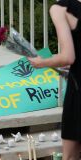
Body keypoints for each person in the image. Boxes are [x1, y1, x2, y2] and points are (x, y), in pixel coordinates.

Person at [28, 0, 81, 160]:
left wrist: (41, 62)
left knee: (70, 156)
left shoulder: (59, 8)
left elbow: (68, 57)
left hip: (79, 88)